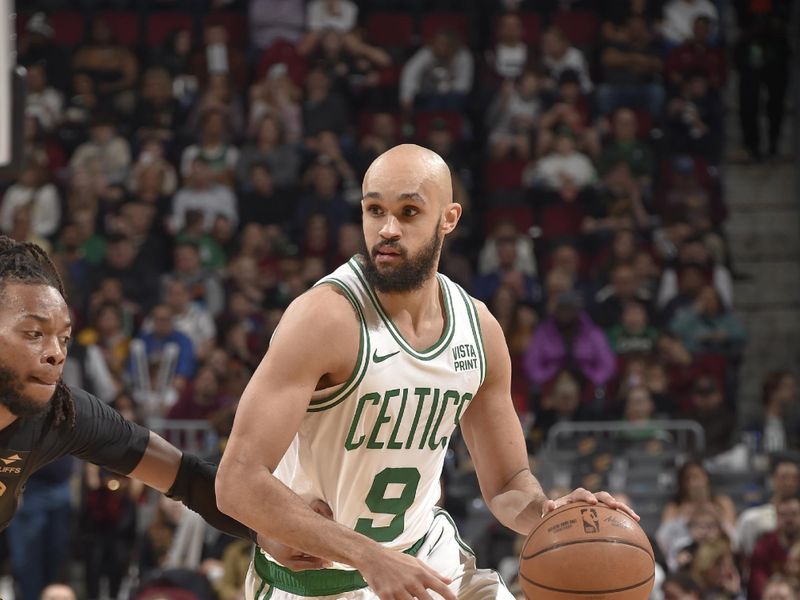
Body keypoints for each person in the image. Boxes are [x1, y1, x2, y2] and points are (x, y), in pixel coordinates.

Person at [215, 145, 636, 600]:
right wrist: (369, 555)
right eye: (375, 210)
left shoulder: (479, 331)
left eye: (409, 211)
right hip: (316, 581)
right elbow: (235, 482)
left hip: (426, 561)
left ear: (449, 218)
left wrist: (549, 513)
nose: (388, 229)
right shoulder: (323, 319)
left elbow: (508, 485)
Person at [0, 236, 252, 565]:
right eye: (34, 333)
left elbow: (189, 479)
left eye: (64, 338)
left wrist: (275, 533)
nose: (56, 353)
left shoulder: (59, 415)